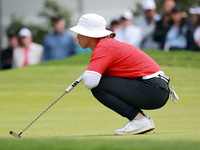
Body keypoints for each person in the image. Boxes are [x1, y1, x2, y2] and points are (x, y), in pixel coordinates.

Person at [70, 13, 178, 135]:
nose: (77, 36)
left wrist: (90, 73)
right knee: (102, 82)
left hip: (152, 88)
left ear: (90, 34)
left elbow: (90, 82)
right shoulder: (106, 44)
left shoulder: (104, 46)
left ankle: (139, 120)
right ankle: (141, 120)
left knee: (98, 87)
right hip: (156, 88)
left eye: (80, 32)